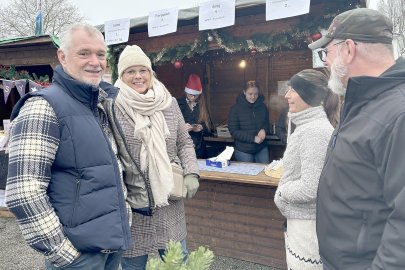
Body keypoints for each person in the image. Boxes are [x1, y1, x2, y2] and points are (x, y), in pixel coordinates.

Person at [5, 23, 132, 270]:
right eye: (84, 53)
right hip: (78, 257)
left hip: (110, 247)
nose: (95, 62)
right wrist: (65, 255)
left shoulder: (99, 105)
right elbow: (23, 192)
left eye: (101, 54)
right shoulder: (42, 107)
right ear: (62, 57)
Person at [308, 8, 405, 269]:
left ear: (349, 49)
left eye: (326, 52)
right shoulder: (363, 101)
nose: (325, 61)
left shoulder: (398, 112)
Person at [102, 45, 199, 270]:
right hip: (134, 205)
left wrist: (192, 172)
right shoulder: (112, 107)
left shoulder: (169, 103)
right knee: (133, 265)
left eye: (143, 70)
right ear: (121, 75)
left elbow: (184, 142)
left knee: (176, 263)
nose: (138, 76)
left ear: (151, 72)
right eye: (130, 71)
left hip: (169, 200)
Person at [274, 69, 339, 270]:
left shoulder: (315, 132)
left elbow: (311, 188)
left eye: (292, 90)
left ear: (308, 95)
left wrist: (282, 191)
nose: (286, 96)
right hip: (302, 223)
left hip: (308, 227)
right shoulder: (306, 126)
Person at [228, 80, 270, 163]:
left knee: (265, 173)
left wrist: (264, 130)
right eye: (250, 94)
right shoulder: (235, 109)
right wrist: (253, 138)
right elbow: (234, 131)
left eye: (256, 94)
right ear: (244, 92)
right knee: (247, 175)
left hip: (261, 148)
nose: (253, 97)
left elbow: (266, 123)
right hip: (243, 150)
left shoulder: (263, 107)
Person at [177, 74, 212, 158]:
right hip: (182, 148)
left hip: (199, 149)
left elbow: (210, 129)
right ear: (186, 92)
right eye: (190, 95)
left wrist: (201, 127)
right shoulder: (177, 104)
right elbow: (169, 127)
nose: (193, 97)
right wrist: (182, 128)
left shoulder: (202, 106)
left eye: (195, 95)